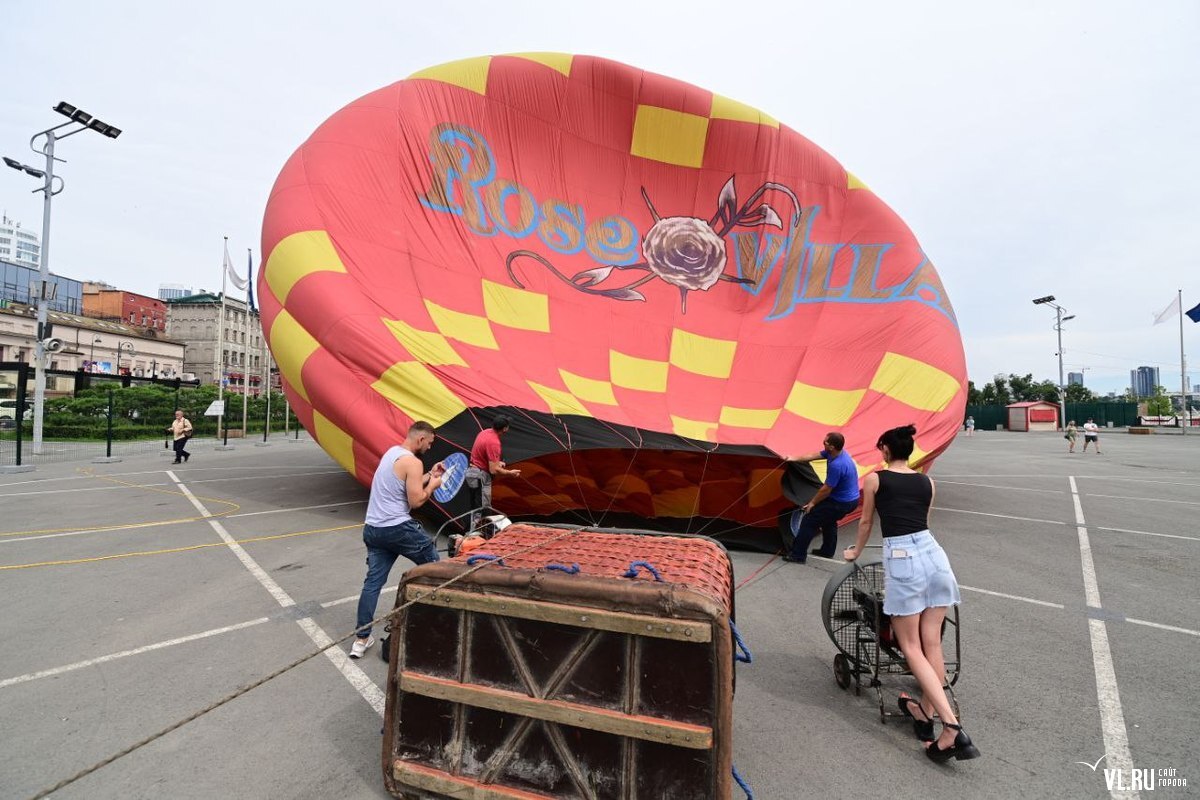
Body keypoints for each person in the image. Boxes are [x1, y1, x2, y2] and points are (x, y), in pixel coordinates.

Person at [844, 424, 980, 763]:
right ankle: (925, 713)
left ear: (885, 450)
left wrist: (855, 552)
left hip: (903, 557)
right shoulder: (927, 482)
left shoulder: (876, 479)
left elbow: (865, 523)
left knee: (910, 646)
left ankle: (950, 728)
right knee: (932, 643)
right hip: (934, 555)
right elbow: (924, 522)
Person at [350, 421, 445, 659]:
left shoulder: (392, 453)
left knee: (372, 584)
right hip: (398, 528)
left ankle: (361, 640)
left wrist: (428, 475)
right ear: (421, 439)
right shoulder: (413, 462)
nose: (430, 448)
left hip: (373, 529)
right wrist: (433, 485)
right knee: (436, 566)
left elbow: (405, 484)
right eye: (430, 443)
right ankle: (436, 622)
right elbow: (416, 501)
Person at [783, 432, 861, 563]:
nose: (823, 443)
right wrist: (793, 458)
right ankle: (827, 551)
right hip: (849, 499)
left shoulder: (838, 464)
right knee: (828, 519)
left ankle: (797, 555)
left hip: (841, 502)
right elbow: (813, 456)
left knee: (810, 520)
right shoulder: (835, 453)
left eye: (825, 442)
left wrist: (812, 503)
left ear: (831, 447)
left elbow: (826, 489)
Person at [465, 415, 521, 532]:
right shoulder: (494, 442)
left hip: (472, 472)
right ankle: (479, 536)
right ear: (505, 429)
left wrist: (497, 462)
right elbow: (493, 470)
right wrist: (510, 473)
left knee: (475, 508)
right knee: (483, 509)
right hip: (480, 476)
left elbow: (482, 455)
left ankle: (472, 533)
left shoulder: (484, 432)